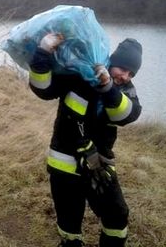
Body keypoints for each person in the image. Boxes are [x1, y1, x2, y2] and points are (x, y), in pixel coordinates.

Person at [29, 34, 143, 247]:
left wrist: (109, 89)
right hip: (64, 163)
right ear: (112, 62)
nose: (126, 76)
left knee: (117, 216)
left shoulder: (125, 89)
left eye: (131, 73)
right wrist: (43, 53)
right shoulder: (80, 74)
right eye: (123, 69)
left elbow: (128, 115)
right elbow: (42, 88)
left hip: (99, 165)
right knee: (69, 224)